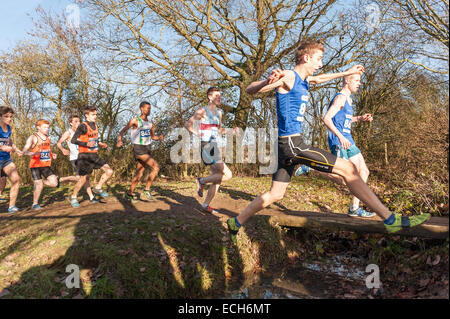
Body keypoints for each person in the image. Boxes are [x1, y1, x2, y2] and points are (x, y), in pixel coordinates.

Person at [226, 41, 430, 244]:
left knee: (276, 194)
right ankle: (391, 219)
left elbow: (320, 78)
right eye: (318, 59)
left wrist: (345, 73)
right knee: (349, 169)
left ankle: (236, 221)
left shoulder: (304, 80)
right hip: (293, 145)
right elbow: (251, 90)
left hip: (285, 147)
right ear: (306, 58)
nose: (320, 63)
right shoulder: (289, 76)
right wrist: (265, 82)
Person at [294, 73, 376, 218]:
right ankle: (312, 167)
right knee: (346, 181)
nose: (359, 83)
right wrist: (339, 136)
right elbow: (326, 119)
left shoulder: (349, 100)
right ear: (347, 81)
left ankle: (354, 208)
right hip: (339, 141)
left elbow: (343, 120)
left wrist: (359, 118)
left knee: (364, 172)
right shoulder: (340, 98)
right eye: (356, 80)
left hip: (348, 140)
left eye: (359, 81)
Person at [185, 87, 234, 213]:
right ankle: (201, 181)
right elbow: (188, 125)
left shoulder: (219, 113)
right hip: (206, 146)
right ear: (209, 97)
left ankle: (205, 205)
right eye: (216, 95)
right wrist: (197, 133)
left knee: (217, 179)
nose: (219, 98)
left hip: (214, 145)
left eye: (220, 95)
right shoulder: (202, 111)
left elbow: (220, 130)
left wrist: (231, 131)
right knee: (228, 175)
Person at [116, 101, 164, 201]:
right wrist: (119, 140)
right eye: (146, 108)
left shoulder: (151, 123)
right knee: (156, 167)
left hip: (147, 148)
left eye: (150, 108)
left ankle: (129, 193)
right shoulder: (135, 120)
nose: (148, 110)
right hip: (138, 148)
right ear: (141, 108)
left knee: (139, 174)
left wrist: (159, 138)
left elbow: (152, 137)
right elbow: (122, 131)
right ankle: (147, 189)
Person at [69, 106, 113, 208]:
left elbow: (93, 139)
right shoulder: (82, 126)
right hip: (84, 157)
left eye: (96, 114)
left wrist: (100, 143)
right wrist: (86, 144)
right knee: (83, 179)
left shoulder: (95, 125)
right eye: (93, 115)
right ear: (86, 115)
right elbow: (73, 140)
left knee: (109, 171)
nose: (96, 116)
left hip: (94, 155)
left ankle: (98, 187)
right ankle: (74, 197)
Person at [56, 114, 97, 202]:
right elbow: (58, 143)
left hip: (84, 157)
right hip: (75, 158)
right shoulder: (68, 133)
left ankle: (91, 197)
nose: (78, 123)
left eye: (79, 121)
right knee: (80, 178)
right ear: (71, 123)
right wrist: (63, 149)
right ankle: (62, 179)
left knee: (85, 178)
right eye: (76, 121)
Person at [22, 119, 59, 210]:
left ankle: (39, 182)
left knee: (54, 183)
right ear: (38, 127)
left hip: (46, 165)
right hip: (35, 166)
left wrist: (52, 154)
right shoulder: (33, 137)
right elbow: (24, 151)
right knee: (39, 185)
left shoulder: (48, 138)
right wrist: (32, 154)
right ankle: (35, 204)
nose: (47, 129)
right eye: (44, 127)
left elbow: (47, 149)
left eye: (48, 127)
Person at [0, 106, 22, 213]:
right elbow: (3, 145)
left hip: (6, 159)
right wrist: (2, 147)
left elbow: (9, 141)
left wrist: (16, 149)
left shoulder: (9, 128)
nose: (9, 119)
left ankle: (11, 206)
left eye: (11, 117)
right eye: (6, 116)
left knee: (16, 179)